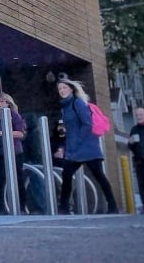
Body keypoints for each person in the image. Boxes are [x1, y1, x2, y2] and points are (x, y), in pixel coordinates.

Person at [56, 74, 118, 214]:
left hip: (87, 147)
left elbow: (87, 123)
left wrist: (77, 140)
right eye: (60, 88)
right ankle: (64, 207)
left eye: (64, 87)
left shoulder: (77, 103)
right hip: (74, 149)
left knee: (99, 176)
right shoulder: (64, 107)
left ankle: (113, 206)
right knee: (66, 176)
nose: (62, 90)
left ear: (71, 89)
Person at [0, 92, 27, 213]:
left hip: (15, 152)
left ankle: (21, 206)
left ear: (8, 103)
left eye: (2, 101)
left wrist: (2, 132)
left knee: (18, 179)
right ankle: (0, 206)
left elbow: (20, 133)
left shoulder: (15, 116)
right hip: (1, 152)